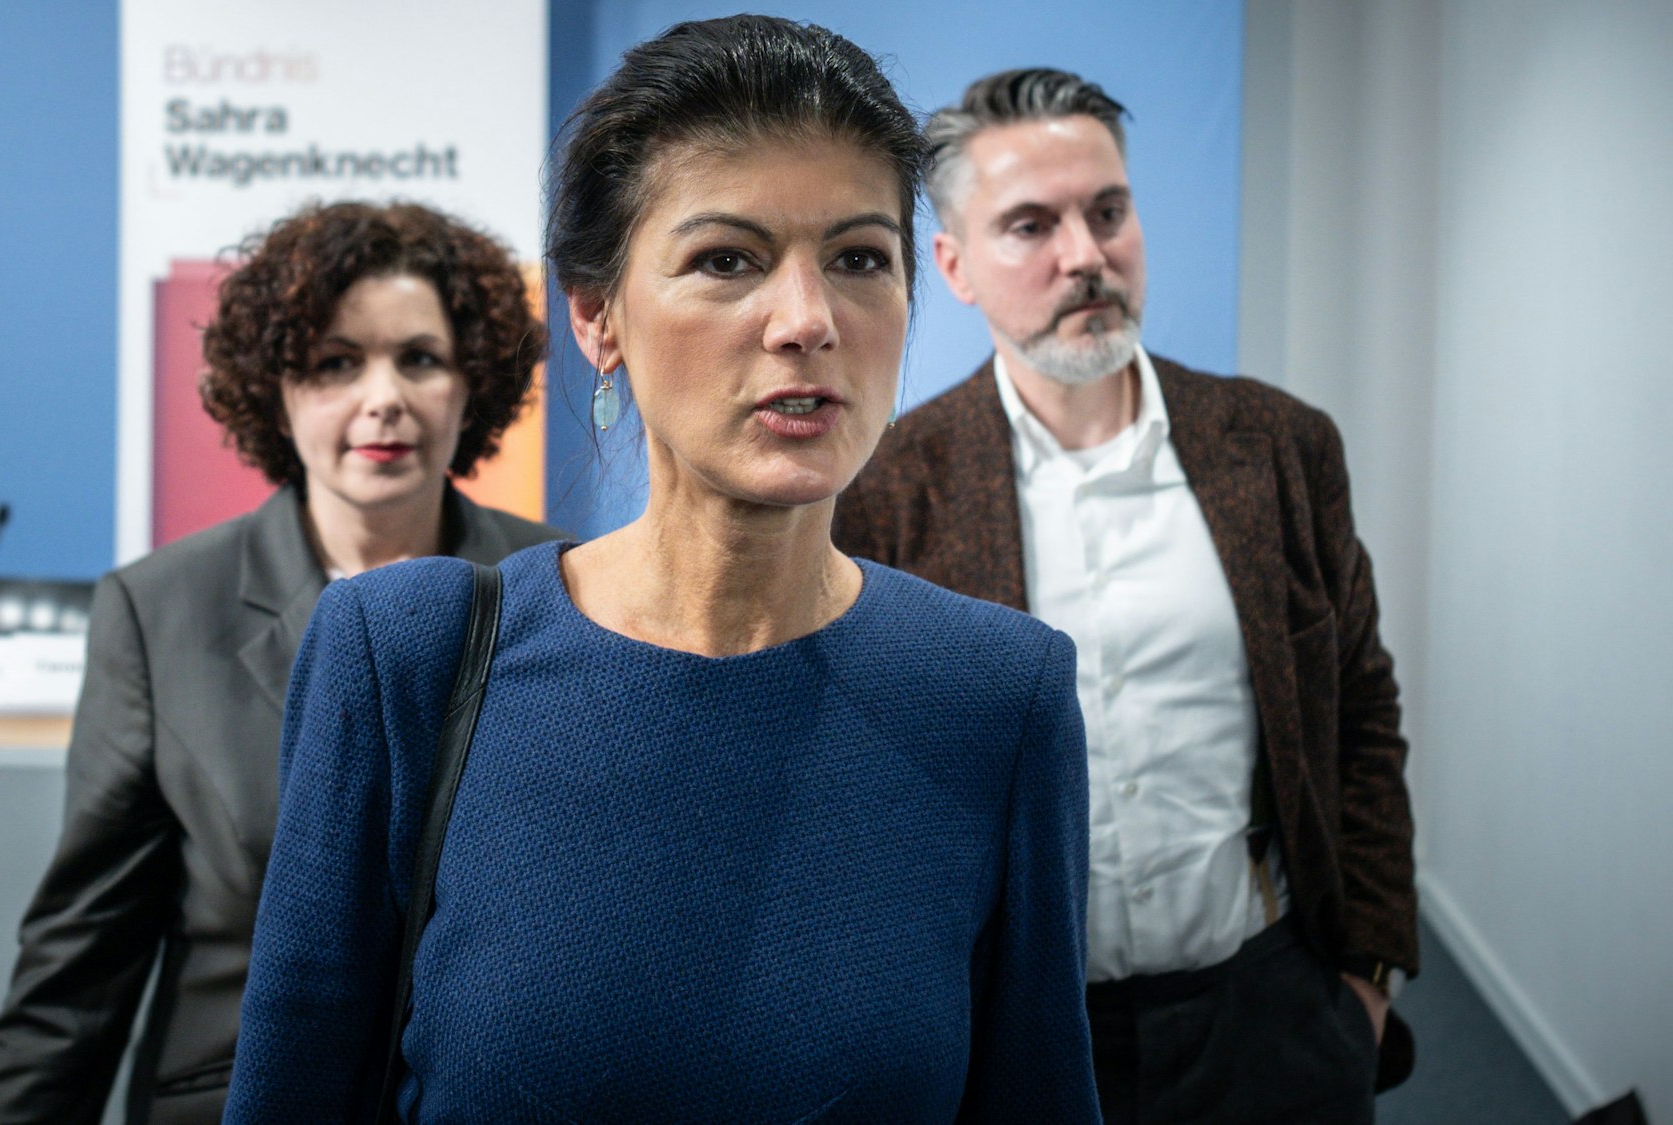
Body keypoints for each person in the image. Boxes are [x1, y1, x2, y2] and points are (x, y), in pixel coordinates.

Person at [225, 17, 1099, 1124]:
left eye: (858, 258)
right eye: (725, 260)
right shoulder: (402, 654)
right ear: (597, 316)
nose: (806, 320)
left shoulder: (996, 693)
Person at [835, 68, 1419, 1123]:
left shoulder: (1278, 447)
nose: (1084, 256)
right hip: (1019, 1033)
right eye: (1030, 225)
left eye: (1107, 212)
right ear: (954, 267)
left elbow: (1360, 719)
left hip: (1270, 1014)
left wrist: (1365, 980)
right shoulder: (884, 494)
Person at [0, 201, 563, 1124]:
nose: (384, 398)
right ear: (275, 389)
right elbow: (77, 972)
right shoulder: (159, 609)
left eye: (420, 358)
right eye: (336, 362)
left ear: (471, 383)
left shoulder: (564, 589)